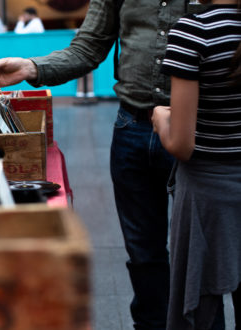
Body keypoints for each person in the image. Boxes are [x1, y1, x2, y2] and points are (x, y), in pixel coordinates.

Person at [0, 0, 220, 329]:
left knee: (202, 260)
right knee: (143, 256)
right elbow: (89, 47)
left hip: (199, 131)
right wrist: (31, 67)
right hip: (132, 127)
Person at [152, 0, 241, 328]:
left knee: (198, 312)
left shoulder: (193, 31)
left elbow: (181, 145)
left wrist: (162, 117)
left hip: (206, 196)